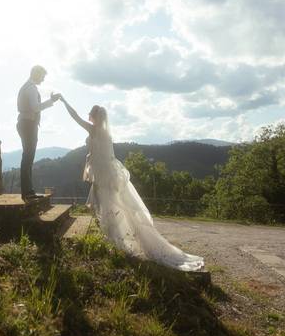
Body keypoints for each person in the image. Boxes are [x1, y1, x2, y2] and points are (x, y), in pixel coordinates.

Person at [59, 96, 204, 272]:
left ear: (95, 116)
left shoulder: (94, 130)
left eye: (90, 113)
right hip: (107, 173)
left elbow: (75, 116)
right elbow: (102, 152)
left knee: (108, 206)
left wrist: (64, 101)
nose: (88, 115)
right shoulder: (104, 133)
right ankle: (116, 239)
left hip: (103, 175)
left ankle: (118, 242)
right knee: (111, 206)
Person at [16, 65, 60, 198]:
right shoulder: (30, 88)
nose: (43, 79)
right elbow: (35, 108)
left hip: (26, 123)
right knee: (28, 157)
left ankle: (28, 190)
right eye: (42, 76)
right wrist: (51, 101)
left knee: (28, 157)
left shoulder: (27, 87)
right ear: (36, 74)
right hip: (28, 124)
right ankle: (27, 191)